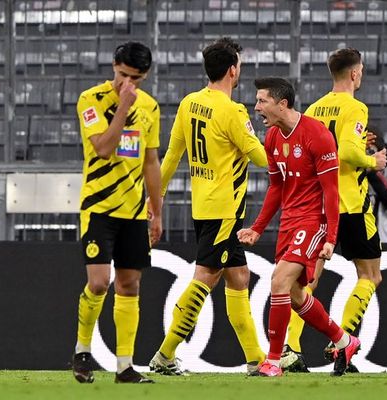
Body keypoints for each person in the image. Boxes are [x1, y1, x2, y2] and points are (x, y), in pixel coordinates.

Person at [148, 37, 267, 376]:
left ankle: (256, 360)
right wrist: (282, 139)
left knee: (239, 277)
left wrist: (157, 198)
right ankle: (165, 354)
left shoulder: (190, 103)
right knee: (206, 276)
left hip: (202, 206)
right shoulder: (232, 111)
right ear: (233, 70)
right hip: (225, 209)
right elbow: (260, 158)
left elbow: (171, 156)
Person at [238, 77, 361, 377]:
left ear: (282, 104)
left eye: (262, 101)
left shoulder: (316, 135)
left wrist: (331, 237)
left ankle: (274, 361)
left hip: (313, 221)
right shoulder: (272, 138)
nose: (256, 108)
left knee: (278, 281)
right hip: (289, 223)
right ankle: (344, 341)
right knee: (293, 295)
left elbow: (332, 192)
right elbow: (276, 188)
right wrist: (257, 227)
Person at [282, 48, 387, 371]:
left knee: (307, 282)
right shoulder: (356, 107)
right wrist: (373, 161)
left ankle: (291, 348)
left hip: (318, 206)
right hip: (352, 205)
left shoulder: (313, 109)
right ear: (355, 74)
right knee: (370, 275)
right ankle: (342, 341)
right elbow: (347, 151)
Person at [72, 41, 162, 384]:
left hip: (135, 212)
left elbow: (151, 161)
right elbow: (105, 148)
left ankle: (124, 366)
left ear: (146, 75)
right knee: (99, 282)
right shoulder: (91, 100)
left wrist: (157, 210)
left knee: (129, 284)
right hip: (98, 207)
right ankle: (82, 350)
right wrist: (124, 105)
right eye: (124, 75)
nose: (129, 83)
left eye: (136, 78)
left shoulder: (151, 108)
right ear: (114, 66)